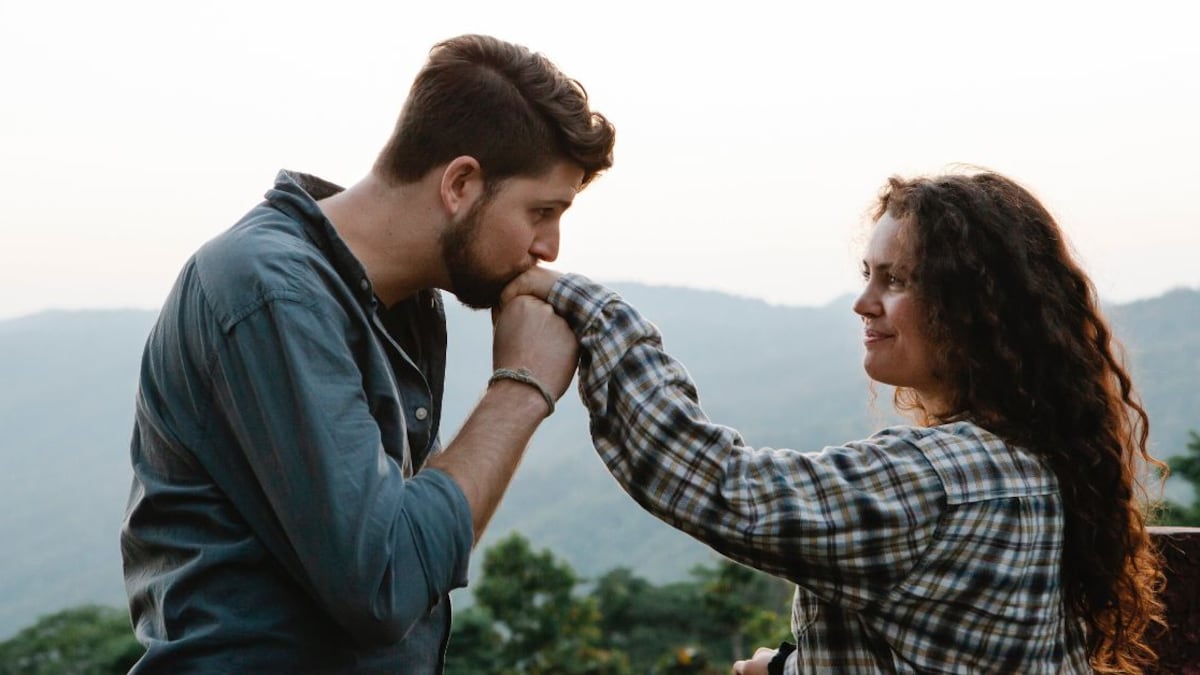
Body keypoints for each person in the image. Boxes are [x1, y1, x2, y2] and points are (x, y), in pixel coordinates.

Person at [503, 170, 1165, 673]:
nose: (863, 303)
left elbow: (723, 487)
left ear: (974, 310)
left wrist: (589, 309)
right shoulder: (1030, 460)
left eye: (896, 281)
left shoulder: (947, 478)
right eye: (867, 274)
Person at [119, 34, 614, 672]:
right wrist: (520, 388)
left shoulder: (405, 306)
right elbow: (384, 582)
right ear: (460, 183)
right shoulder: (273, 291)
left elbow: (408, 549)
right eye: (541, 211)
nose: (549, 246)